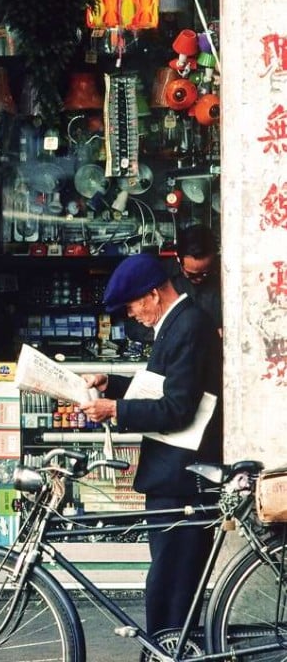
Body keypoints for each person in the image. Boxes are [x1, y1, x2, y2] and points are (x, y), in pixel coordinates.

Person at [79, 253, 223, 636]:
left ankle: (168, 651)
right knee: (168, 583)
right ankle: (167, 650)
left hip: (182, 478)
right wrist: (116, 386)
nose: (132, 314)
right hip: (172, 475)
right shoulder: (178, 323)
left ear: (154, 294)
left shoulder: (187, 325)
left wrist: (117, 410)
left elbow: (177, 407)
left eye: (133, 305)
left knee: (171, 585)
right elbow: (165, 388)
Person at [167, 224, 221, 336]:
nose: (199, 279)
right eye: (191, 275)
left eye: (205, 273)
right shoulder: (163, 278)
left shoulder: (227, 278)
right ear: (178, 259)